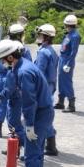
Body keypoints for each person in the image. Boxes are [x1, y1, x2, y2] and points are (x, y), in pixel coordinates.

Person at [0, 40, 55, 167]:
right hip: (41, 111)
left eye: (2, 59)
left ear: (9, 57)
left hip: (40, 113)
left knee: (32, 151)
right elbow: (10, 83)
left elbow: (29, 101)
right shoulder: (20, 66)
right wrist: (1, 96)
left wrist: (29, 125)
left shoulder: (24, 72)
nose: (2, 63)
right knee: (35, 150)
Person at [0, 23, 33, 139]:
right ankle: (14, 136)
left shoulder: (3, 45)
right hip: (17, 80)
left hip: (2, 78)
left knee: (1, 102)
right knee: (15, 109)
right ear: (21, 35)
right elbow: (28, 65)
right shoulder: (23, 49)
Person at [34, 24, 60, 155]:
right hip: (49, 86)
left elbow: (39, 72)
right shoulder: (51, 50)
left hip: (43, 87)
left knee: (41, 116)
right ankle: (51, 145)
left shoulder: (43, 52)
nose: (38, 37)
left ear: (45, 37)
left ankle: (46, 145)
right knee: (45, 115)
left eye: (40, 35)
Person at [55, 14, 81, 112]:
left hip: (67, 60)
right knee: (61, 81)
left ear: (67, 24)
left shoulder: (75, 36)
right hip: (62, 59)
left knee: (67, 82)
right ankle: (61, 102)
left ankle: (71, 105)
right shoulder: (68, 34)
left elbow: (73, 52)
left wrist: (68, 64)